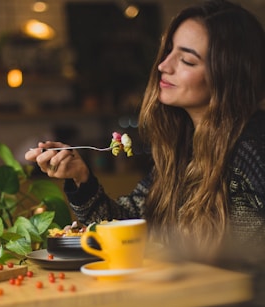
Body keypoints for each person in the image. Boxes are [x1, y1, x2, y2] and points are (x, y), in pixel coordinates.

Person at [25, 0, 265, 265]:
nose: (164, 65)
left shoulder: (253, 145)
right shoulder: (183, 147)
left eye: (186, 60)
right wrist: (81, 178)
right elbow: (129, 224)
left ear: (228, 76)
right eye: (169, 50)